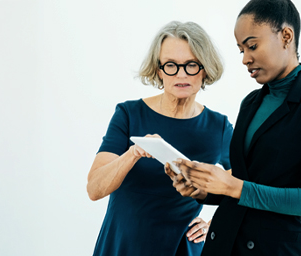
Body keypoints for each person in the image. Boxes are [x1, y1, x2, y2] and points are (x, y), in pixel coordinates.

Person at [165, 0, 301, 255]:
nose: (245, 59)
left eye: (252, 46)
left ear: (286, 36)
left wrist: (231, 186)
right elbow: (245, 181)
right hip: (224, 243)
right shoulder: (250, 103)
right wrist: (204, 190)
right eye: (241, 50)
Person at [86, 21, 233, 256]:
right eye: (171, 65)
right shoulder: (129, 114)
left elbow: (246, 185)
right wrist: (134, 152)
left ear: (205, 69)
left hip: (181, 248)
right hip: (123, 244)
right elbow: (94, 189)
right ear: (159, 70)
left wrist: (218, 222)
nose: (181, 74)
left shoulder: (219, 127)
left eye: (191, 65)